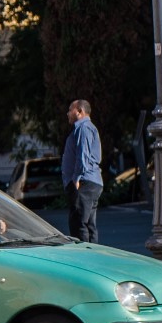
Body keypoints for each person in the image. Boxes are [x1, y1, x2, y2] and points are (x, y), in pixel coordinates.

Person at [59, 99, 102, 243]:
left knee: (79, 224)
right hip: (89, 181)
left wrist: (76, 178)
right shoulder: (84, 128)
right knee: (88, 224)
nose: (67, 113)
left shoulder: (83, 128)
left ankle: (85, 258)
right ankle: (93, 256)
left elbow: (82, 155)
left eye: (70, 110)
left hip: (84, 181)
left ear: (79, 112)